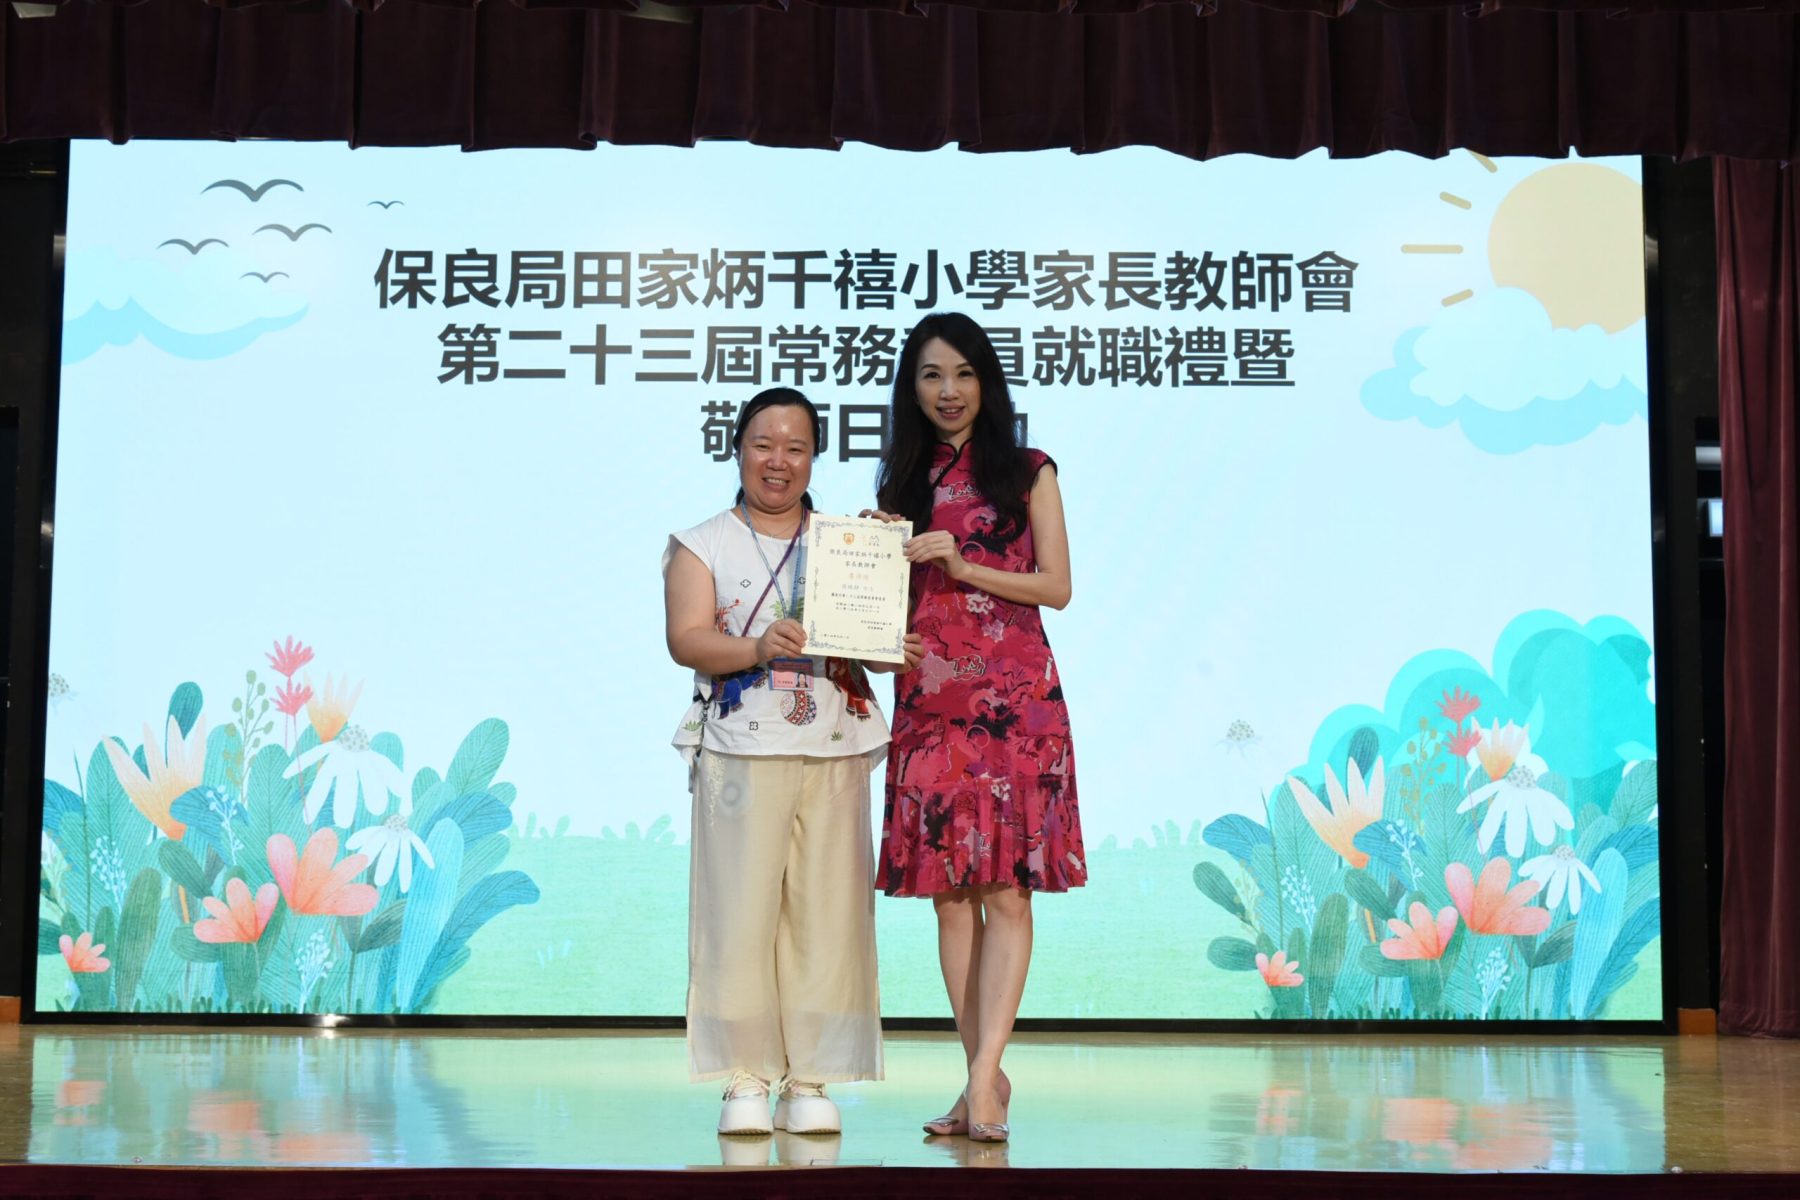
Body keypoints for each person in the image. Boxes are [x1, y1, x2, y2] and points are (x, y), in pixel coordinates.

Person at [663, 387, 921, 1139]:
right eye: (763, 445)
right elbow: (685, 639)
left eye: (796, 448)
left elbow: (881, 649)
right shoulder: (702, 542)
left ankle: (810, 1076)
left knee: (827, 914)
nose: (778, 461)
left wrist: (891, 604)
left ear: (815, 457)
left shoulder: (849, 542)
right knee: (738, 912)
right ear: (738, 449)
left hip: (833, 743)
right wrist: (754, 647)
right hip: (741, 748)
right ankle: (745, 1076)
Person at [869, 312, 1087, 1144]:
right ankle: (982, 1079)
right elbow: (890, 609)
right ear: (912, 388)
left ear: (986, 382)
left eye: (963, 373)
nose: (948, 390)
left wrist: (965, 565)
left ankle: (984, 1082)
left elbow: (1057, 586)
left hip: (1015, 702)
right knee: (950, 902)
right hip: (930, 705)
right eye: (931, 375)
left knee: (1006, 892)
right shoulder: (901, 484)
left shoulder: (1029, 471)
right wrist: (875, 609)